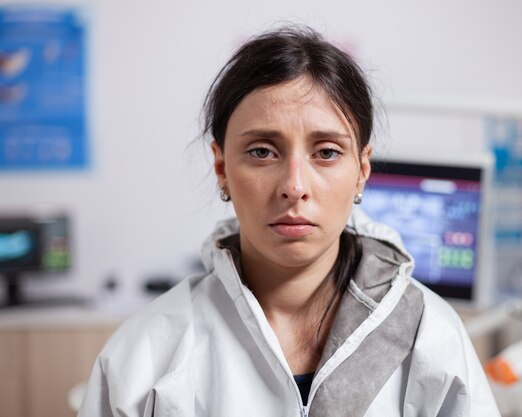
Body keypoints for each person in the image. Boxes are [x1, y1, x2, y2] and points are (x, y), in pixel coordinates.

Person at [78, 26, 500, 417]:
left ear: (362, 171)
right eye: (262, 151)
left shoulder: (430, 336)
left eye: (327, 152)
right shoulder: (147, 354)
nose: (294, 186)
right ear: (222, 168)